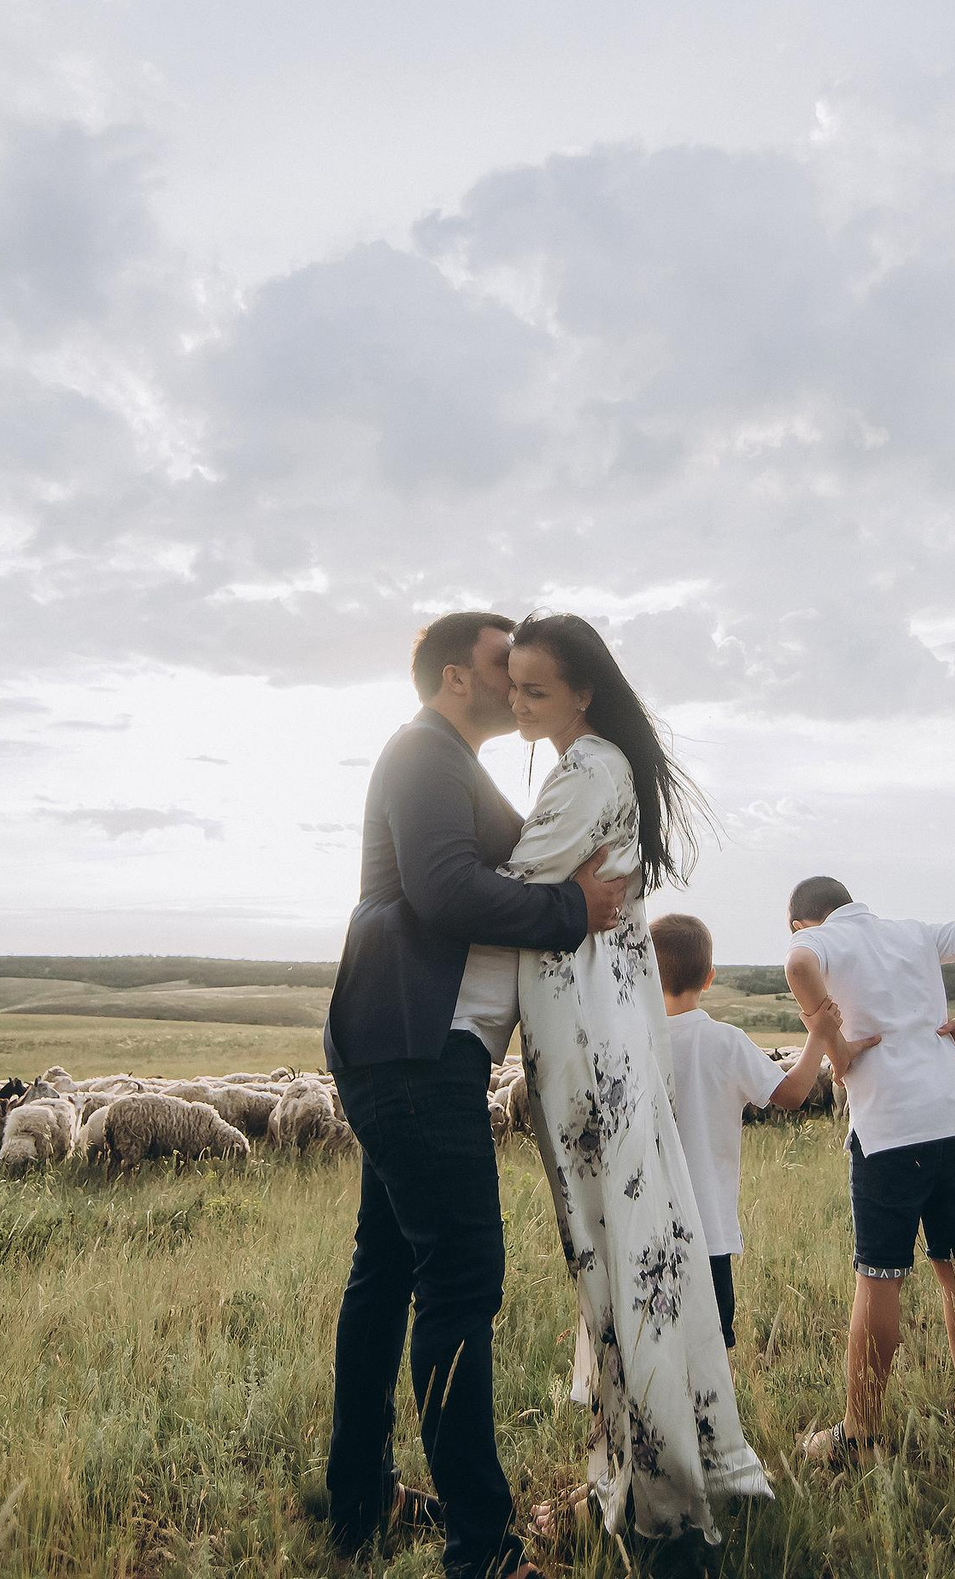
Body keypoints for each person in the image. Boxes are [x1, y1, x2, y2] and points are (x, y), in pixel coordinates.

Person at [321, 610, 628, 1579]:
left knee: (384, 1276)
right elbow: (444, 888)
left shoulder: (451, 761)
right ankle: (482, 1550)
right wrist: (570, 909)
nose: (520, 674)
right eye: (507, 663)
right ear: (458, 676)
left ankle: (360, 1499)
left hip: (405, 1044)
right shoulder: (421, 754)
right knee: (458, 1282)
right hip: (415, 1047)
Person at [494, 613, 773, 1542]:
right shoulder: (603, 768)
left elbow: (507, 880)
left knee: (615, 1241)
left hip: (589, 1035)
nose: (521, 703)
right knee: (626, 1239)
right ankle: (637, 1464)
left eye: (538, 689)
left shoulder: (588, 770)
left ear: (582, 690)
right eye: (515, 686)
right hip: (601, 1026)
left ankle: (652, 1489)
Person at [779, 875, 955, 1461]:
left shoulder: (824, 941)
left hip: (889, 1127)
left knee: (879, 1277)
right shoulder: (909, 933)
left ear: (802, 921)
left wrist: (833, 1046)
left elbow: (798, 967)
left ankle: (859, 1434)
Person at [648, 911, 873, 1349]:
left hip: (643, 1224)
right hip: (706, 1227)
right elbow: (791, 1094)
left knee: (652, 1347)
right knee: (707, 1350)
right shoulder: (725, 1041)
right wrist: (818, 1035)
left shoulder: (634, 1041)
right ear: (710, 977)